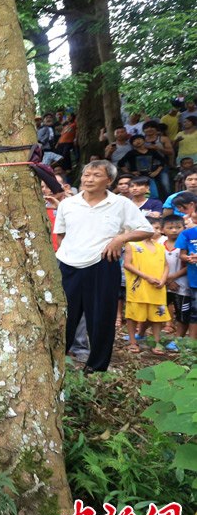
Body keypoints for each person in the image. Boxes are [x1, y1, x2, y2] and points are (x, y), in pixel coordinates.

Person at [54, 160, 154, 374]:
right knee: (64, 316)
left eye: (96, 175)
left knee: (101, 317)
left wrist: (121, 239)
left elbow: (146, 230)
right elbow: (61, 235)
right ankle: (57, 364)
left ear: (109, 180)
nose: (89, 179)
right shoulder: (67, 204)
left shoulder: (121, 204)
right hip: (69, 266)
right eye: (86, 174)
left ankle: (96, 367)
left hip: (102, 264)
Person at [123, 228, 170, 354]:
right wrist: (146, 277)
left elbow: (166, 265)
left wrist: (163, 279)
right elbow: (127, 264)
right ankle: (133, 342)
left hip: (157, 287)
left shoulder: (160, 247)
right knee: (133, 315)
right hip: (138, 287)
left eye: (158, 228)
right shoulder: (132, 245)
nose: (157, 230)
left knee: (157, 317)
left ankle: (157, 342)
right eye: (153, 227)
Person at [161, 215, 189, 348]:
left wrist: (173, 277)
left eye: (178, 227)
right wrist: (167, 280)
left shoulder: (187, 245)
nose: (174, 230)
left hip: (182, 286)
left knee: (182, 314)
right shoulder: (159, 245)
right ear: (162, 229)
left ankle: (178, 340)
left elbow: (189, 266)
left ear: (184, 228)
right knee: (157, 309)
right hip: (163, 284)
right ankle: (146, 333)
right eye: (170, 227)